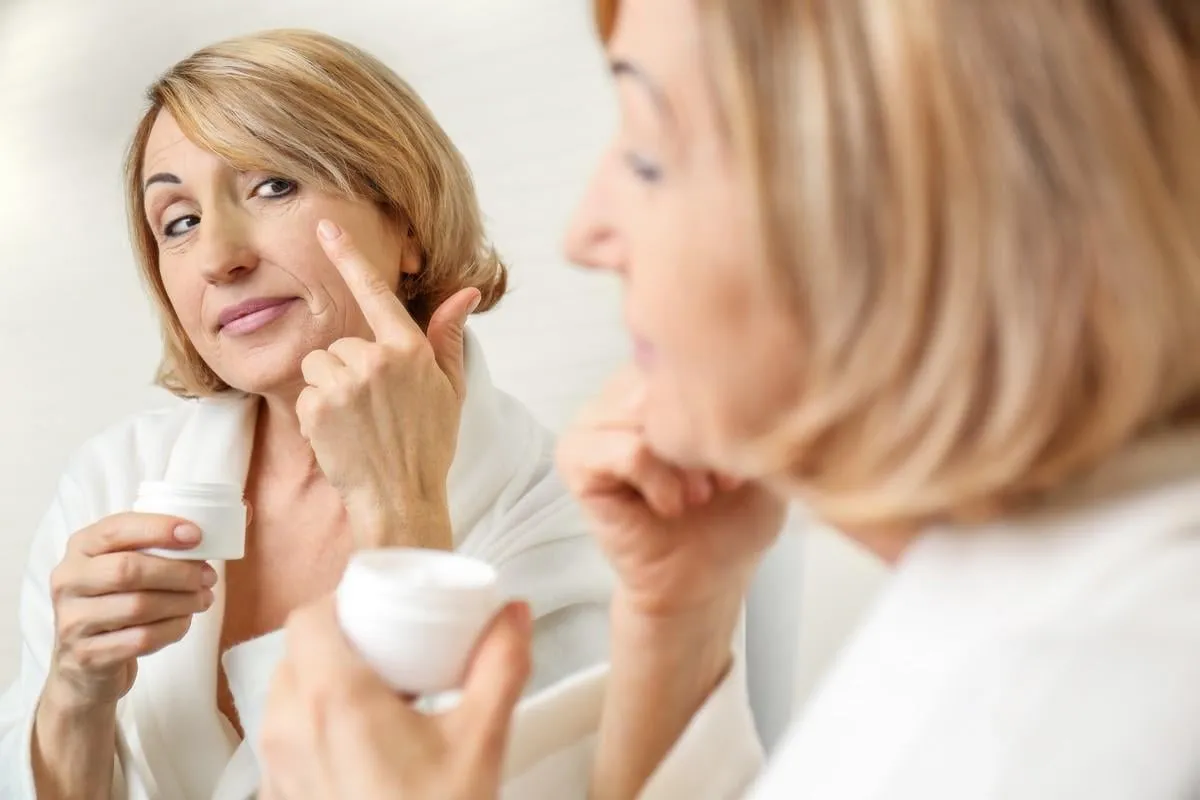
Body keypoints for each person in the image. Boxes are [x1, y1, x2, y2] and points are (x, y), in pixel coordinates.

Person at [257, 0, 1200, 798]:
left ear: (924, 211)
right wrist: (679, 621)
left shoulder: (1084, 705)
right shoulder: (1027, 592)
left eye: (651, 153)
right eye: (172, 219)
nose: (587, 231)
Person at [0, 28, 614, 800]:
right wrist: (73, 698)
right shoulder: (113, 479)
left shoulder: (557, 512)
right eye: (178, 222)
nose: (220, 255)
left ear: (406, 223)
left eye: (273, 185)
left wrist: (405, 517)